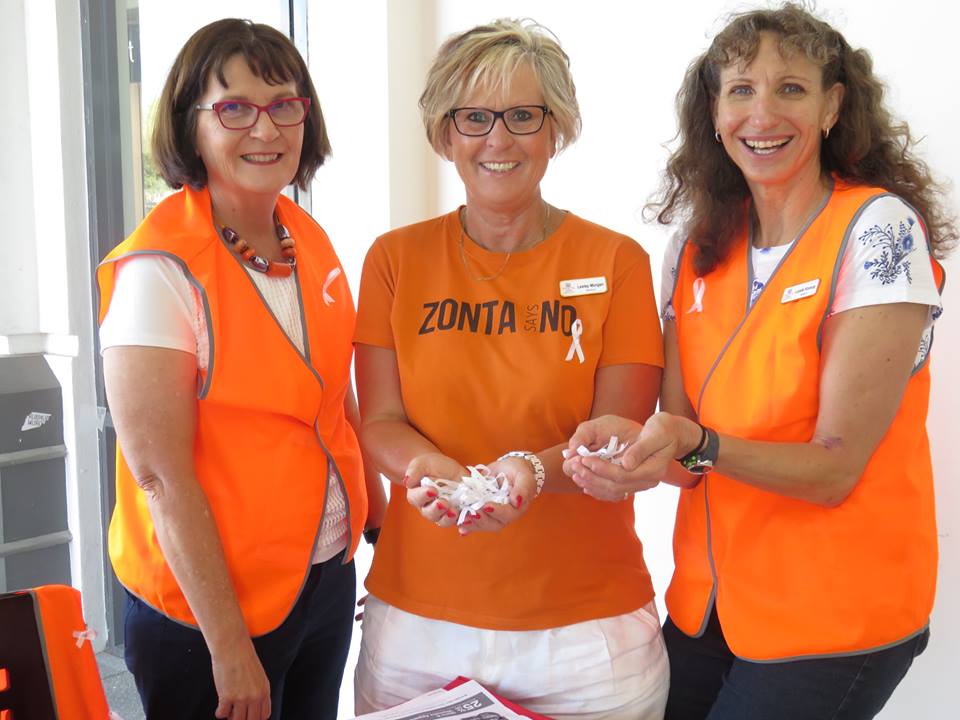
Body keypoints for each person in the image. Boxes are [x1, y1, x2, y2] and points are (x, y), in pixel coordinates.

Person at [564, 4, 954, 719]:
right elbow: (685, 453)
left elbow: (835, 469)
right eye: (741, 90)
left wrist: (696, 444)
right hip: (710, 605)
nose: (762, 113)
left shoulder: (879, 232)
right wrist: (632, 453)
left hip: (833, 616)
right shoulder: (695, 247)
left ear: (833, 106)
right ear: (714, 114)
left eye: (791, 88)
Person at [353, 18, 668, 720]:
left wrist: (530, 470)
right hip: (417, 628)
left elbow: (619, 433)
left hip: (587, 638)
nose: (498, 139)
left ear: (556, 130)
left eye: (524, 116)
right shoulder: (394, 261)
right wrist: (426, 471)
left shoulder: (616, 262)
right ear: (445, 134)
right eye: (474, 118)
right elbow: (379, 420)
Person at [96, 18, 385, 720]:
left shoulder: (305, 236)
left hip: (322, 574)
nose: (266, 128)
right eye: (234, 108)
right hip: (210, 611)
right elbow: (160, 477)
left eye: (284, 105)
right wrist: (228, 647)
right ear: (189, 125)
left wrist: (380, 530)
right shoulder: (160, 271)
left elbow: (335, 398)